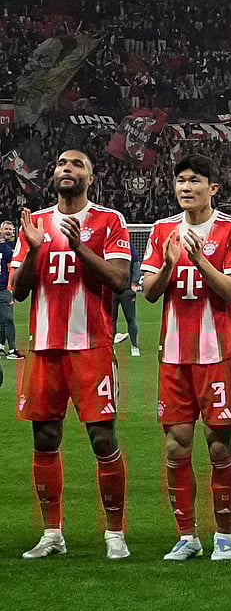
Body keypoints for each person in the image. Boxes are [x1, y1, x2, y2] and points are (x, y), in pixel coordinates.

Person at [9, 149, 132, 560]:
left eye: (77, 165)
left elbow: (119, 280)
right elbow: (18, 291)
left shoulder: (109, 221)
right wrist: (31, 250)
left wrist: (79, 247)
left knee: (102, 437)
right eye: (62, 164)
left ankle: (115, 532)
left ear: (90, 178)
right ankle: (52, 532)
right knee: (45, 437)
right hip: (44, 347)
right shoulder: (36, 223)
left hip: (91, 346)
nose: (67, 170)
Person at [141, 155, 231, 562]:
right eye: (181, 181)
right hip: (173, 355)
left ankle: (224, 535)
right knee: (176, 447)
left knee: (219, 446)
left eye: (195, 181)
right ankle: (187, 534)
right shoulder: (161, 230)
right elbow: (150, 292)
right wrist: (170, 263)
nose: (186, 187)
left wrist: (201, 259)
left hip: (217, 356)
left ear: (213, 189)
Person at [112, 241, 140, 357]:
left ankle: (134, 346)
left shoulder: (128, 246)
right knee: (111, 319)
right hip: (111, 289)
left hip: (127, 289)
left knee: (130, 318)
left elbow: (136, 264)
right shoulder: (108, 244)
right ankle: (111, 346)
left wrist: (134, 282)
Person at [0, 219, 20, 359]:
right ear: (1, 230)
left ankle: (11, 350)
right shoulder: (7, 248)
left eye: (11, 230)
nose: (9, 232)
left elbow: (11, 269)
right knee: (4, 319)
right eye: (6, 229)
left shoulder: (11, 248)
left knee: (7, 318)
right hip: (3, 289)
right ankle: (4, 348)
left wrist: (10, 287)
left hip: (4, 289)